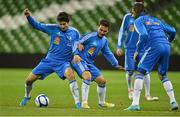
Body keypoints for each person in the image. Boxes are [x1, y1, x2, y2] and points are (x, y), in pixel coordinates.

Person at [19, 9, 81, 109]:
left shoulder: (75, 32)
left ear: (68, 22)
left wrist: (77, 54)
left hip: (63, 63)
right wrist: (28, 16)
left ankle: (78, 103)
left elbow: (78, 44)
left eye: (64, 24)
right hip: (49, 61)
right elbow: (37, 25)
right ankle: (27, 96)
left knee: (71, 75)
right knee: (28, 81)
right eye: (60, 24)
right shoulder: (53, 28)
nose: (62, 26)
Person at [125, 3, 179, 111]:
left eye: (132, 11)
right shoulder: (156, 20)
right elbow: (173, 31)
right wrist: (168, 41)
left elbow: (144, 35)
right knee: (163, 75)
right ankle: (173, 101)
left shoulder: (138, 21)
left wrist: (137, 51)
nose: (132, 13)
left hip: (154, 46)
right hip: (166, 46)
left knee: (140, 72)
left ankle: (135, 104)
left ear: (136, 11)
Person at [71, 19, 123, 109]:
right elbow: (76, 42)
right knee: (87, 76)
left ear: (108, 31)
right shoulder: (90, 36)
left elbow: (107, 53)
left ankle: (102, 103)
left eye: (105, 31)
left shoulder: (104, 41)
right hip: (79, 60)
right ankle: (84, 103)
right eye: (101, 30)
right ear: (97, 27)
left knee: (102, 81)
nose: (102, 32)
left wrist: (115, 64)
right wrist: (75, 54)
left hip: (89, 64)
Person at [116, 1, 158, 101]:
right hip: (130, 48)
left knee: (145, 71)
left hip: (143, 48)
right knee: (130, 71)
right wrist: (119, 46)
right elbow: (122, 31)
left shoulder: (146, 17)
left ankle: (148, 95)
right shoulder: (128, 17)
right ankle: (130, 90)